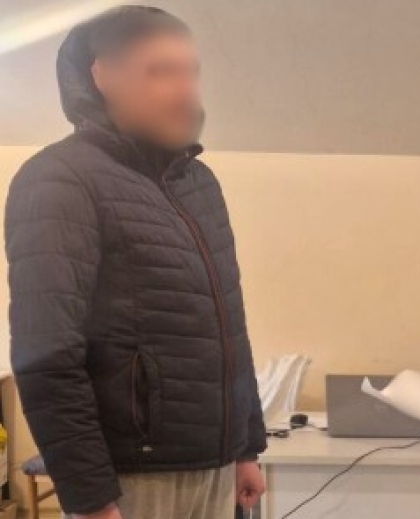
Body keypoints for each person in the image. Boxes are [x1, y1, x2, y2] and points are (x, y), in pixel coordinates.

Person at [5, 6, 266, 519]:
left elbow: (229, 329)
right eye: (161, 71)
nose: (186, 90)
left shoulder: (200, 184)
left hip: (213, 464)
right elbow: (47, 351)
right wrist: (90, 496)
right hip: (129, 475)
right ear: (104, 75)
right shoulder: (59, 177)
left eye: (190, 71)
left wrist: (245, 448)